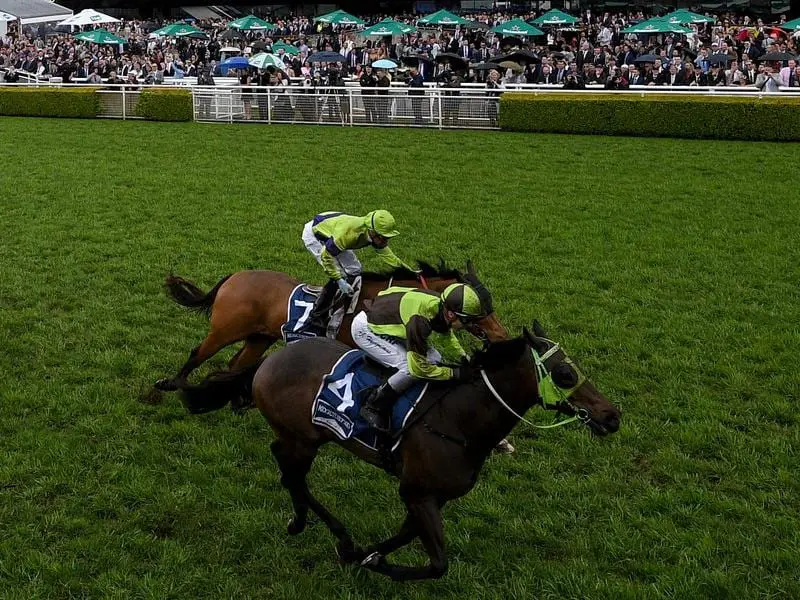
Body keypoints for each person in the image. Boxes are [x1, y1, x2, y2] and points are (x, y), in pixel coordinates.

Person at [351, 283, 485, 431]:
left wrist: (463, 358)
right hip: (366, 329)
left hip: (388, 318)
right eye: (467, 321)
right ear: (451, 314)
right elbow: (418, 369)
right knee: (408, 368)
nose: (468, 326)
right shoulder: (421, 321)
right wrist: (454, 374)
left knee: (435, 357)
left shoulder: (440, 306)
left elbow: (446, 336)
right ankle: (374, 405)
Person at [301, 210, 412, 328]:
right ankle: (317, 316)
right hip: (315, 235)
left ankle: (346, 301)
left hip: (335, 228)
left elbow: (389, 257)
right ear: (372, 231)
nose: (385, 241)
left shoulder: (372, 234)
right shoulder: (349, 235)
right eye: (383, 237)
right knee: (340, 274)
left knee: (355, 270)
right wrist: (339, 280)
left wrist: (410, 272)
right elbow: (326, 255)